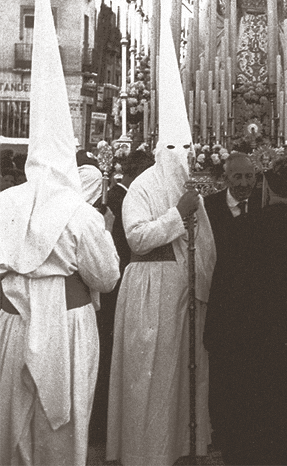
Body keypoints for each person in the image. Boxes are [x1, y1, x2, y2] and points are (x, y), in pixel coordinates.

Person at [0, 0, 120, 466]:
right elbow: (107, 276)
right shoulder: (80, 213)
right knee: (62, 430)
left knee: (12, 424)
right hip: (67, 325)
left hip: (10, 322)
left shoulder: (4, 202)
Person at [107, 140, 216, 466]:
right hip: (152, 293)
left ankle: (180, 447)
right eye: (177, 147)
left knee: (180, 375)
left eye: (188, 147)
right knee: (150, 374)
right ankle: (145, 452)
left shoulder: (187, 187)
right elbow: (137, 237)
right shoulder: (142, 188)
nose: (185, 155)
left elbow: (207, 243)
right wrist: (177, 214)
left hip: (184, 294)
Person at [244, 157, 287, 466]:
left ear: (268, 187)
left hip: (251, 325)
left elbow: (228, 281)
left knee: (255, 395)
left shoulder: (244, 224)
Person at [89, 148, 154, 446]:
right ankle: (104, 427)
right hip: (115, 286)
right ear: (139, 174)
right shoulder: (120, 198)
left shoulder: (116, 196)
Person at [203, 151, 262, 466]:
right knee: (221, 373)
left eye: (249, 177)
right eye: (237, 177)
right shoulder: (209, 208)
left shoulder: (263, 206)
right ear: (224, 179)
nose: (244, 184)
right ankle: (221, 433)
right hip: (220, 303)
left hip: (253, 307)